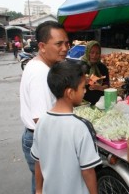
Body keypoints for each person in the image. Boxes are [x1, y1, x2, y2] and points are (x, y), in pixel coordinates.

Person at [31, 62, 102, 194]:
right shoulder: (80, 127)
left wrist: (39, 189)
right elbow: (88, 171)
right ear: (70, 93)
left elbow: (38, 161)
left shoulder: (41, 123)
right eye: (82, 88)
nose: (85, 91)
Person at [19, 21, 69, 194]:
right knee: (46, 187)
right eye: (58, 44)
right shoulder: (41, 73)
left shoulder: (40, 65)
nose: (65, 48)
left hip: (35, 137)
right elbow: (40, 120)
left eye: (66, 43)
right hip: (41, 139)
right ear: (42, 46)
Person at [81, 40, 110, 105]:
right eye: (92, 52)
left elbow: (107, 84)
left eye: (97, 53)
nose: (94, 55)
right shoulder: (80, 66)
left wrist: (100, 87)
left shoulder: (102, 67)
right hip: (83, 103)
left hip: (100, 103)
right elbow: (73, 85)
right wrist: (82, 81)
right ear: (87, 52)